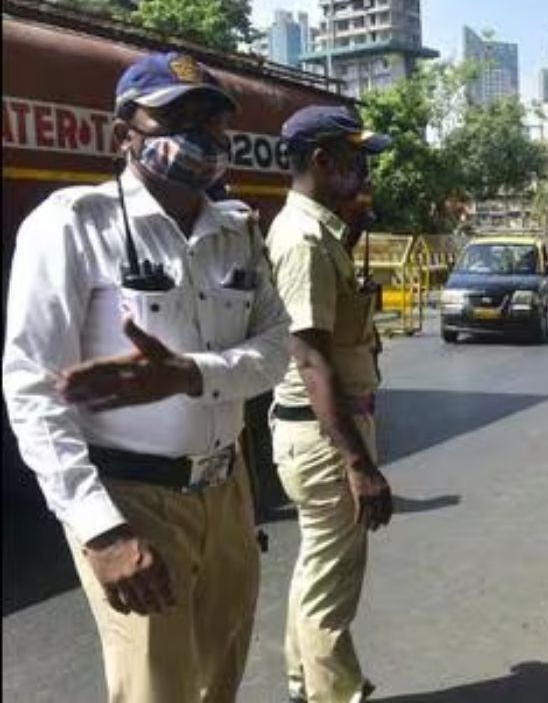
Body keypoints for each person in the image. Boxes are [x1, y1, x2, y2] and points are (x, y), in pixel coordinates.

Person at [1, 51, 290, 702]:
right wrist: (100, 528)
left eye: (212, 122)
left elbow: (276, 349)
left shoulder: (237, 229)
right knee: (158, 690)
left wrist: (191, 375)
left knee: (222, 678)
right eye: (175, 117)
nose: (199, 137)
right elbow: (31, 389)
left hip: (228, 491)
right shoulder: (72, 226)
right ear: (122, 133)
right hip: (133, 494)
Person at [266, 106, 394, 703]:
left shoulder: (321, 231)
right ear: (323, 161)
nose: (364, 170)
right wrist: (359, 465)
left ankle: (306, 678)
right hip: (324, 438)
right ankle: (330, 694)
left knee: (317, 568)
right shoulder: (304, 241)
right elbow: (310, 357)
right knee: (332, 583)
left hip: (317, 431)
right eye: (356, 158)